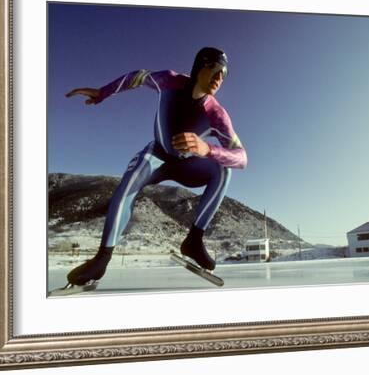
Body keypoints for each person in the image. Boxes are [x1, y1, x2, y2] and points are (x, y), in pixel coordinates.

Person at [64, 47, 247, 286]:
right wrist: (103, 92)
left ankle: (193, 239)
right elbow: (137, 77)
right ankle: (102, 258)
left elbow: (242, 157)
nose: (219, 79)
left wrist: (208, 149)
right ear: (200, 66)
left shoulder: (217, 114)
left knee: (224, 169)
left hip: (187, 165)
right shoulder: (169, 80)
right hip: (157, 157)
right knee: (129, 182)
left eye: (224, 75)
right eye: (215, 70)